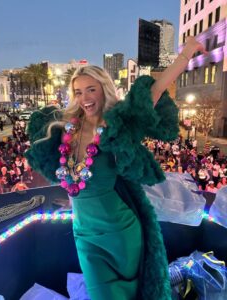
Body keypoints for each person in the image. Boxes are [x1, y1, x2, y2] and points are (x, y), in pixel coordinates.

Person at [25, 36, 206, 300]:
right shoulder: (67, 130)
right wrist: (74, 199)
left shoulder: (114, 126)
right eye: (78, 91)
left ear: (103, 90)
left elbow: (152, 93)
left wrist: (186, 54)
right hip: (84, 234)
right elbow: (77, 180)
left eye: (91, 89)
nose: (85, 97)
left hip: (118, 233)